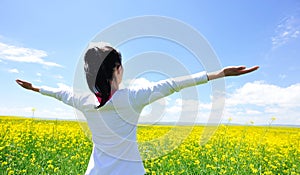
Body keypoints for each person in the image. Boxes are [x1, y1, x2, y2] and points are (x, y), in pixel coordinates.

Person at [16, 43, 259, 175]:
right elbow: (173, 84)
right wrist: (219, 74)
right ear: (117, 69)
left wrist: (35, 88)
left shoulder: (83, 101)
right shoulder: (132, 98)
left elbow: (60, 93)